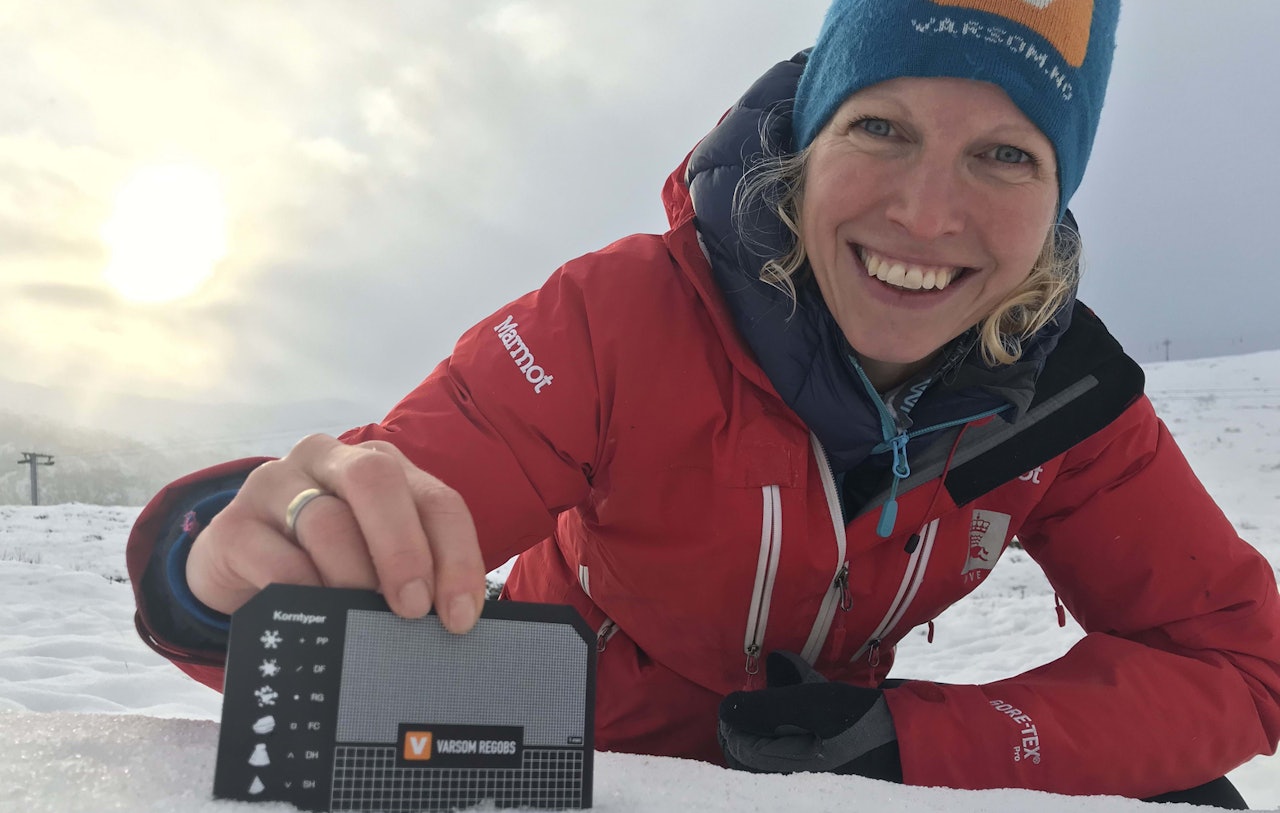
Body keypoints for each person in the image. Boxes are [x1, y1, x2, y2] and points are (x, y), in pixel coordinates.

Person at [126, 0, 1280, 806]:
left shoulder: (1060, 398)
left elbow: (1240, 662)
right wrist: (217, 573)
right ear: (805, 142)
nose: (928, 216)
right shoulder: (622, 319)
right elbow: (368, 530)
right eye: (880, 128)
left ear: (1056, 200)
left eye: (1005, 156)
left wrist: (908, 749)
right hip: (567, 770)